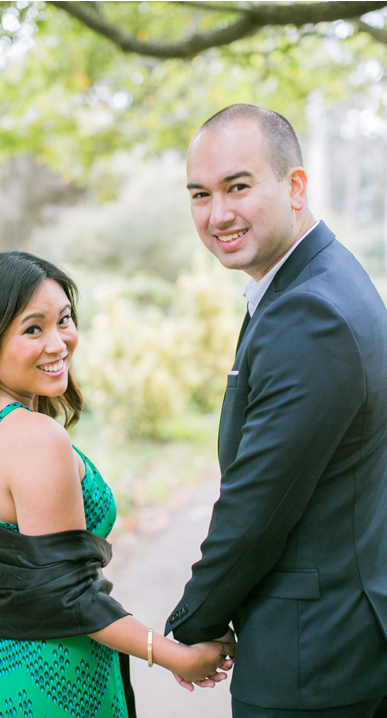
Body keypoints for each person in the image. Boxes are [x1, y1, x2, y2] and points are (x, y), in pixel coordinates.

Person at [0, 250, 233, 718]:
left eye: (64, 320)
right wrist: (180, 658)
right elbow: (72, 599)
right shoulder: (36, 437)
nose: (58, 343)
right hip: (50, 680)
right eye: (32, 329)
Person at [167, 104, 387, 716]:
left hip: (315, 661)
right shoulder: (323, 278)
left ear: (295, 187)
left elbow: (257, 507)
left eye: (238, 186)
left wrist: (191, 623)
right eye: (200, 195)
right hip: (338, 643)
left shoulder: (308, 312)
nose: (218, 215)